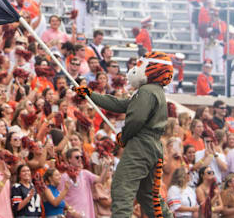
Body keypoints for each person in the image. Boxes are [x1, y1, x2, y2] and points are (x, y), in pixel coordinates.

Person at [74, 51, 173, 217]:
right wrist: (91, 95)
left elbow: (136, 119)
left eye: (141, 65)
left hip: (141, 144)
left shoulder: (146, 91)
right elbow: (121, 104)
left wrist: (124, 136)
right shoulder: (155, 91)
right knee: (149, 196)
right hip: (153, 146)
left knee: (122, 186)